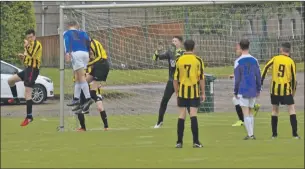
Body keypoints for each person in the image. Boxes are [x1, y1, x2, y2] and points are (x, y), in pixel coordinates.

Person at [261, 42, 300, 139]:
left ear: (281, 50)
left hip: (274, 89)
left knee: (274, 110)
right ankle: (295, 134)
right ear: (289, 51)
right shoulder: (291, 61)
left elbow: (265, 68)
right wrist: (293, 91)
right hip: (286, 90)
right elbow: (294, 79)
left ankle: (274, 135)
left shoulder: (275, 58)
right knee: (291, 109)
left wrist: (261, 82)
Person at [152, 36, 189, 128]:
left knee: (185, 102)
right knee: (164, 101)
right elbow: (156, 58)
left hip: (181, 82)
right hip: (171, 81)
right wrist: (157, 51)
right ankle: (159, 122)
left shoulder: (184, 53)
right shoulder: (170, 52)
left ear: (180, 43)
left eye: (175, 41)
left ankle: (191, 120)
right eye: (172, 41)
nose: (173, 42)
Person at [7, 29, 42, 126]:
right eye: (28, 37)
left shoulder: (36, 44)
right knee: (10, 80)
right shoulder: (29, 45)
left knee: (27, 93)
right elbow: (28, 58)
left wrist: (26, 46)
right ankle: (15, 98)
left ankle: (29, 117)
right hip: (28, 69)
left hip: (33, 70)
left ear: (34, 36)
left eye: (31, 37)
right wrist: (22, 57)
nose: (30, 39)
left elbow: (31, 54)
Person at [173, 39, 205, 148]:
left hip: (182, 91)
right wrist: (203, 92)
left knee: (181, 115)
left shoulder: (179, 60)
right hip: (194, 91)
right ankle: (196, 142)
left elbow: (175, 78)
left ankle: (179, 142)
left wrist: (176, 92)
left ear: (184, 47)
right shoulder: (198, 60)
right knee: (193, 115)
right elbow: (201, 78)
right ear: (194, 47)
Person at [74, 38, 110, 131]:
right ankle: (83, 127)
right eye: (89, 53)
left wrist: (98, 83)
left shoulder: (96, 66)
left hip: (94, 90)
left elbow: (97, 77)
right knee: (79, 106)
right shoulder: (82, 66)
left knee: (99, 107)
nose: (91, 54)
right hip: (86, 90)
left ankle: (106, 127)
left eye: (91, 53)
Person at [234, 39, 261, 140]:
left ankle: (250, 135)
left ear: (240, 47)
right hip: (253, 88)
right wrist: (258, 89)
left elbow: (237, 79)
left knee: (245, 111)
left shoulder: (238, 61)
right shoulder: (255, 60)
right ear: (249, 46)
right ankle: (251, 133)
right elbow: (258, 76)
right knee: (250, 111)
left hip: (243, 88)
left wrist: (235, 91)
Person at [64, 20, 94, 112]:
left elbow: (67, 42)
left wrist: (67, 53)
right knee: (77, 77)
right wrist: (89, 53)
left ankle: (88, 98)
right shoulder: (83, 32)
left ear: (69, 25)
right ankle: (76, 99)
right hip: (85, 54)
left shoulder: (67, 33)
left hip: (76, 54)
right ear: (76, 26)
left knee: (81, 77)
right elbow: (89, 42)